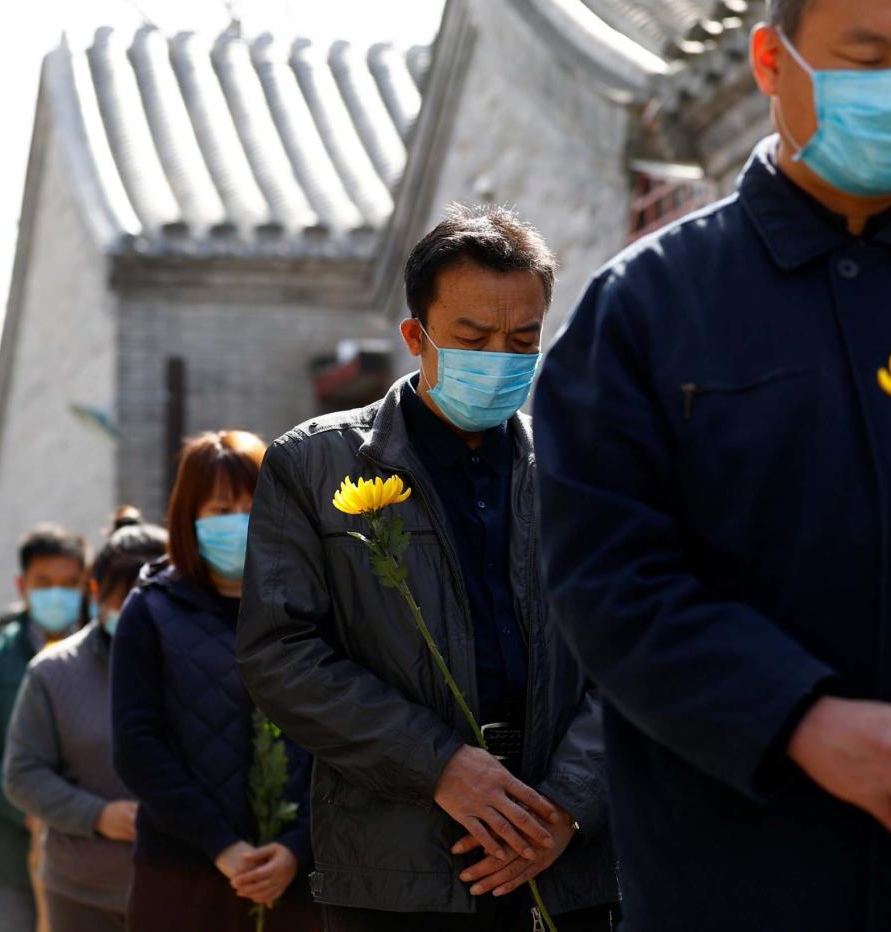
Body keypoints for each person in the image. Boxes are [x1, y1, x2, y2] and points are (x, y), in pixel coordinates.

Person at [532, 0, 891, 929]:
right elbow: (607, 580)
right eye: (867, 56)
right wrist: (796, 720)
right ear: (768, 59)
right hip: (731, 881)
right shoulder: (645, 312)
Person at [236, 206, 618, 931]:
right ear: (416, 336)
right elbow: (279, 653)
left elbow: (624, 646)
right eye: (474, 338)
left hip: (561, 864)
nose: (501, 359)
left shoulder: (581, 469)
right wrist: (438, 764)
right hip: (395, 868)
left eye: (524, 340)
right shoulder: (315, 465)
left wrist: (568, 805)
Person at [111, 432, 314, 932]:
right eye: (222, 508)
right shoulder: (151, 608)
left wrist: (297, 847)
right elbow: (136, 746)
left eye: (254, 505)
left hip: (301, 876)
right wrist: (222, 846)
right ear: (190, 516)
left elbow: (343, 736)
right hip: (182, 873)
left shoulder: (314, 603)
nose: (240, 521)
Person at [4, 512, 167, 932]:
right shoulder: (53, 672)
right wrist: (96, 815)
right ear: (96, 593)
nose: (142, 613)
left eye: (156, 596)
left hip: (179, 883)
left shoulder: (205, 663)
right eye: (125, 599)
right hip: (81, 891)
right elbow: (22, 774)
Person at [0, 525, 88, 932]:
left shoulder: (103, 652)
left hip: (87, 850)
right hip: (10, 849)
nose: (57, 594)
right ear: (22, 585)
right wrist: (26, 805)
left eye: (69, 583)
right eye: (44, 583)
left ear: (85, 584)